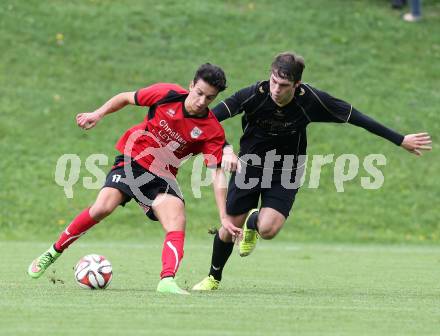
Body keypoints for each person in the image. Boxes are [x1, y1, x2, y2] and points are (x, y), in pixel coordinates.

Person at [192, 52, 432, 291]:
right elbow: (209, 118)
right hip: (250, 166)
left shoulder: (312, 100)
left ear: (297, 85)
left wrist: (400, 140)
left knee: (268, 230)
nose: (276, 88)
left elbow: (356, 117)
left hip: (286, 171)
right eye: (273, 81)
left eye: (283, 85)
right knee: (228, 229)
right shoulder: (254, 94)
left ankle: (253, 222)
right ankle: (214, 278)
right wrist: (225, 149)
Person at [28, 63, 235, 295]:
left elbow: (217, 172)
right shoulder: (168, 94)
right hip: (133, 160)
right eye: (199, 93)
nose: (201, 101)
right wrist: (97, 114)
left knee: (177, 220)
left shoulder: (211, 129)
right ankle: (53, 252)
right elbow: (125, 98)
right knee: (102, 208)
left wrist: (224, 216)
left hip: (162, 175)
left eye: (209, 98)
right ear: (191, 85)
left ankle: (166, 281)